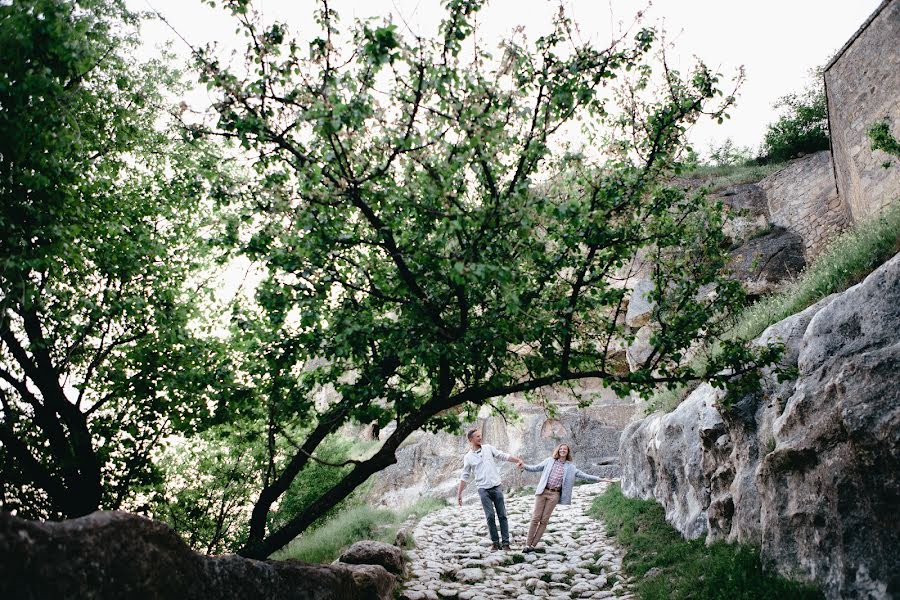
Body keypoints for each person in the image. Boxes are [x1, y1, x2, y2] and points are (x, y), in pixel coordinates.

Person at [519, 443, 600, 552]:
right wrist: (523, 465)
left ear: (567, 452)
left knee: (544, 520)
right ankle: (527, 545)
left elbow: (583, 475)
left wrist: (599, 479)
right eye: (561, 449)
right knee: (535, 518)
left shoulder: (570, 467)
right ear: (557, 450)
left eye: (565, 449)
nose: (562, 450)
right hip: (543, 491)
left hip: (554, 495)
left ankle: (533, 545)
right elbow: (535, 468)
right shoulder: (549, 461)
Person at [457, 429, 523, 551]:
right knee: (490, 516)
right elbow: (465, 476)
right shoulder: (468, 457)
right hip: (483, 489)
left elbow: (502, 455)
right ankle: (495, 543)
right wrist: (459, 494)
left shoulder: (488, 448)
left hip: (496, 486)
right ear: (471, 440)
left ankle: (506, 543)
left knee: (502, 515)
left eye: (480, 435)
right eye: (477, 436)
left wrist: (517, 460)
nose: (480, 438)